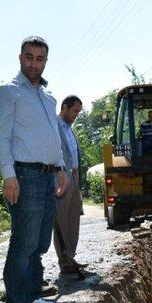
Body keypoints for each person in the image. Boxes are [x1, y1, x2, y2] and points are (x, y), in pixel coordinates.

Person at [0, 36, 69, 303]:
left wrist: (60, 168)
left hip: (47, 174)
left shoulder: (47, 97)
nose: (34, 63)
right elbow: (1, 137)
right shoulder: (8, 92)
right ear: (20, 57)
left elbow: (52, 135)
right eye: (29, 57)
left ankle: (33, 298)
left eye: (39, 58)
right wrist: (8, 174)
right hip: (24, 174)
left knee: (39, 243)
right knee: (23, 242)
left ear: (45, 61)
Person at [53, 95, 87, 276]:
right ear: (64, 107)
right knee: (61, 221)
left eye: (79, 112)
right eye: (74, 111)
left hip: (73, 178)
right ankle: (64, 261)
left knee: (74, 219)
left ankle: (71, 257)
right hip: (61, 179)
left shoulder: (69, 130)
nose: (76, 115)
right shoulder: (54, 126)